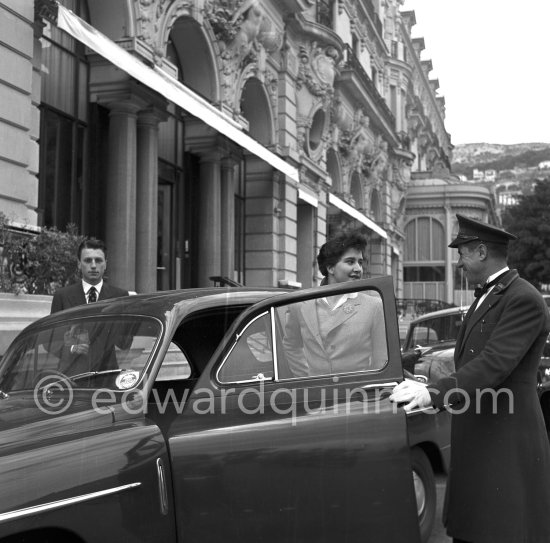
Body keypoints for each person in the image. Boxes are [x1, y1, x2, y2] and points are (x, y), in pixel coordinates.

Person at [390, 214, 550, 543]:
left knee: (501, 531)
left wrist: (435, 394)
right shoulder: (490, 296)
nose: (459, 262)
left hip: (503, 438)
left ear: (480, 252)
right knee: (475, 530)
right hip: (481, 434)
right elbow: (469, 362)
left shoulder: (523, 299)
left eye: (461, 253)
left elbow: (493, 364)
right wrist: (427, 387)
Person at [282, 231, 387, 377]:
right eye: (350, 262)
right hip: (314, 396)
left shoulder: (374, 306)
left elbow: (382, 360)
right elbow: (291, 345)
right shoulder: (300, 305)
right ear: (330, 268)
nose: (358, 269)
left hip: (357, 395)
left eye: (360, 262)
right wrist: (305, 379)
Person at [51, 237, 128, 314]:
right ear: (79, 264)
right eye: (88, 260)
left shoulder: (121, 297)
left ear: (105, 264)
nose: (93, 266)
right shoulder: (62, 296)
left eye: (98, 260)